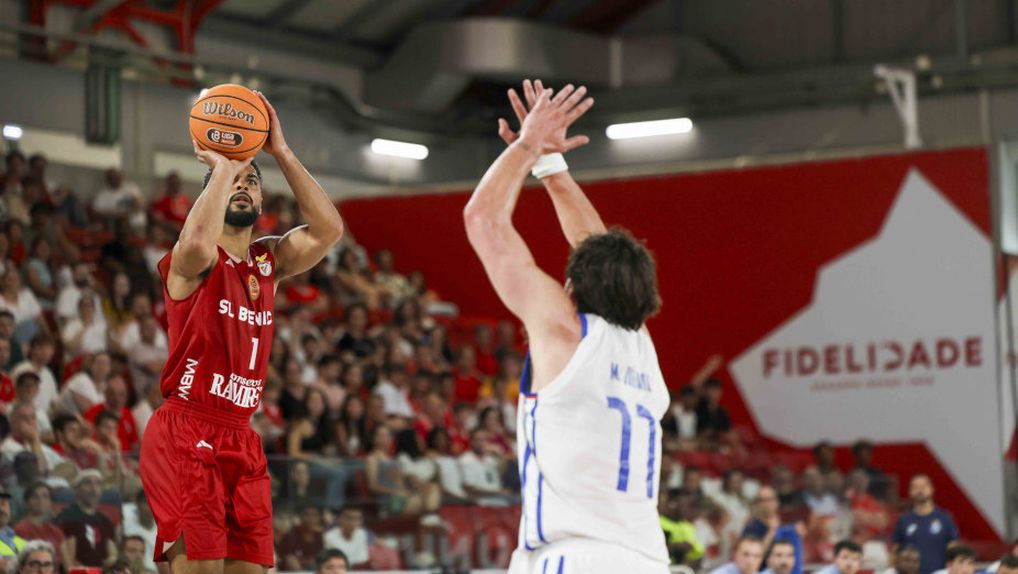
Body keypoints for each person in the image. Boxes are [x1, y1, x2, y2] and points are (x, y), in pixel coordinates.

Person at [138, 90, 344, 573]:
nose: (243, 185)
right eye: (233, 182)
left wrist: (280, 152)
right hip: (187, 427)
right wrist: (224, 167)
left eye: (252, 181)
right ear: (211, 195)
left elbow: (328, 230)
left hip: (241, 436)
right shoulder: (193, 260)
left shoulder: (268, 260)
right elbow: (195, 240)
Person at [466, 79, 666, 573]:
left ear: (571, 289)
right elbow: (598, 249)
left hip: (574, 556)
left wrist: (527, 145)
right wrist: (552, 167)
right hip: (646, 559)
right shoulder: (641, 345)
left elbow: (484, 219)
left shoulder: (564, 332)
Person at [892, 475, 958, 574]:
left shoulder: (945, 519)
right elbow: (895, 550)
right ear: (910, 492)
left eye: (923, 486)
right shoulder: (904, 520)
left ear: (932, 489)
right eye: (915, 487)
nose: (920, 490)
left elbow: (953, 549)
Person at [57, 469, 117, 568]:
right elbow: (69, 562)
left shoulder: (105, 521)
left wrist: (109, 562)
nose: (93, 489)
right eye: (87, 483)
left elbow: (113, 554)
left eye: (98, 484)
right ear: (77, 489)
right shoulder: (66, 519)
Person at [743, 486, 804, 574]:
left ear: (777, 502)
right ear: (756, 504)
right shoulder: (751, 528)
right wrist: (771, 531)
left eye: (770, 499)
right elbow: (754, 556)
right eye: (762, 500)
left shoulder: (786, 526)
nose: (766, 504)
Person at [13, 482, 64, 561]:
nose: (41, 500)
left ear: (50, 502)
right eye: (35, 496)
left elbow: (67, 563)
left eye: (45, 496)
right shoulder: (20, 530)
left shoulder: (56, 531)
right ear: (27, 502)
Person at [659, 488, 704, 567]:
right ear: (672, 504)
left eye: (688, 506)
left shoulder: (688, 526)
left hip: (682, 568)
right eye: (683, 505)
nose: (686, 509)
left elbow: (698, 553)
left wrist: (690, 548)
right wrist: (675, 546)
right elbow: (654, 549)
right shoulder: (659, 522)